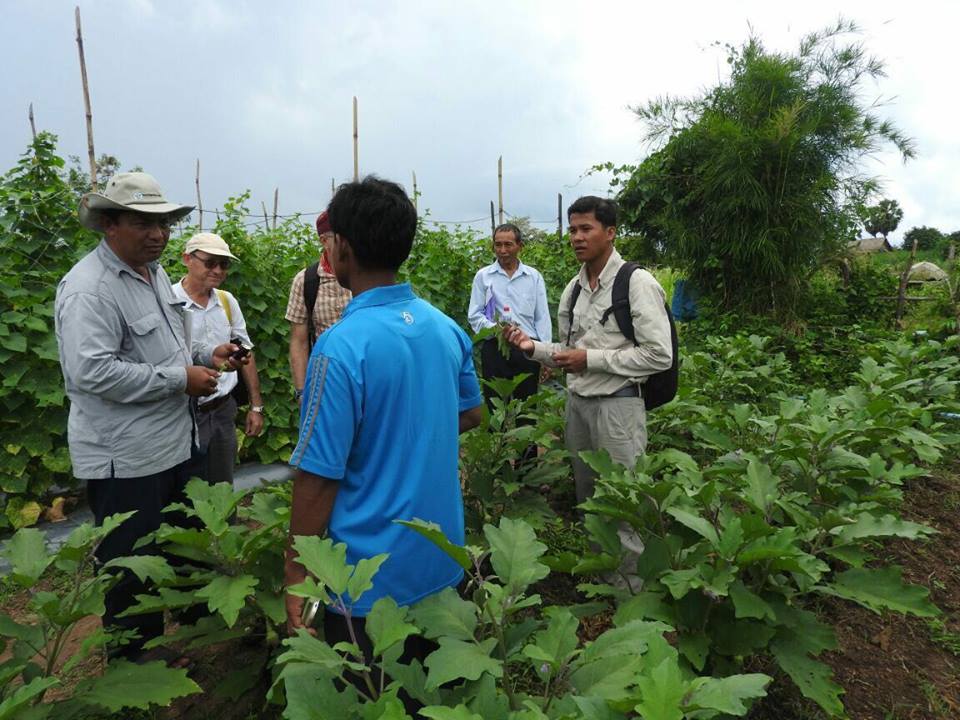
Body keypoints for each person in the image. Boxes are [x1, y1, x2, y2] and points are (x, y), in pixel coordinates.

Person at [284, 177, 482, 709]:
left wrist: (296, 571)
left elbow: (319, 476)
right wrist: (415, 430)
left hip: (368, 586)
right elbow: (472, 412)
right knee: (437, 699)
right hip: (443, 567)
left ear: (341, 246)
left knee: (377, 699)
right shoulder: (445, 329)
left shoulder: (338, 349)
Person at [54, 172, 246, 663]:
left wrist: (207, 351)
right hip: (127, 457)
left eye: (163, 222)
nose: (158, 233)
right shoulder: (88, 290)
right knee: (130, 564)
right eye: (143, 222)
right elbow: (91, 372)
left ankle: (179, 633)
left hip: (176, 443)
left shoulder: (153, 273)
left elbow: (171, 344)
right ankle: (133, 666)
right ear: (109, 224)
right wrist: (180, 379)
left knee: (178, 544)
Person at [502, 195, 672, 514]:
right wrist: (532, 347)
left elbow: (660, 356)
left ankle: (627, 567)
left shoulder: (637, 284)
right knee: (590, 505)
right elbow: (569, 353)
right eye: (572, 230)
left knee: (623, 504)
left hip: (617, 408)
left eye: (586, 229)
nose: (577, 237)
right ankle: (600, 564)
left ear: (610, 232)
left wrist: (590, 360)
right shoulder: (574, 289)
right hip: (578, 407)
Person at [172, 232, 264, 486]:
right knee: (185, 489)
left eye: (224, 264)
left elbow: (246, 351)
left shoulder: (226, 301)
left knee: (223, 486)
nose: (218, 270)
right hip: (183, 412)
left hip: (222, 409)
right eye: (210, 262)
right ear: (187, 259)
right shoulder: (169, 302)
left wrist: (256, 406)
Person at [467, 223, 551, 410]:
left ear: (520, 246)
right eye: (498, 245)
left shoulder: (533, 277)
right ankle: (498, 440)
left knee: (527, 407)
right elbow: (474, 315)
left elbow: (542, 317)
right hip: (495, 348)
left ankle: (526, 439)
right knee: (495, 405)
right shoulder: (484, 276)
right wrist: (498, 330)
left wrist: (544, 355)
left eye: (508, 245)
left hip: (527, 349)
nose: (503, 250)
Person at [285, 211, 351, 405]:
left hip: (365, 375)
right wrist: (301, 391)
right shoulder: (306, 281)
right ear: (324, 240)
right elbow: (299, 341)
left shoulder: (362, 275)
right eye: (341, 237)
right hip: (325, 381)